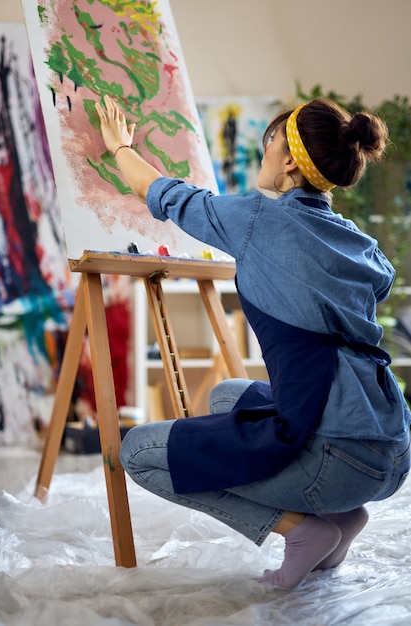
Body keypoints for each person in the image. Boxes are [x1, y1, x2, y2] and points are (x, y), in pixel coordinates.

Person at [94, 95, 411, 590]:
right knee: (228, 397)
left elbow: (161, 192)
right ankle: (346, 520)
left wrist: (119, 146)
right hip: (392, 445)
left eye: (270, 141)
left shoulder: (257, 221)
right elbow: (379, 283)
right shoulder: (360, 244)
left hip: (340, 457)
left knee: (137, 452)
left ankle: (304, 531)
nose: (264, 151)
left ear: (288, 161)